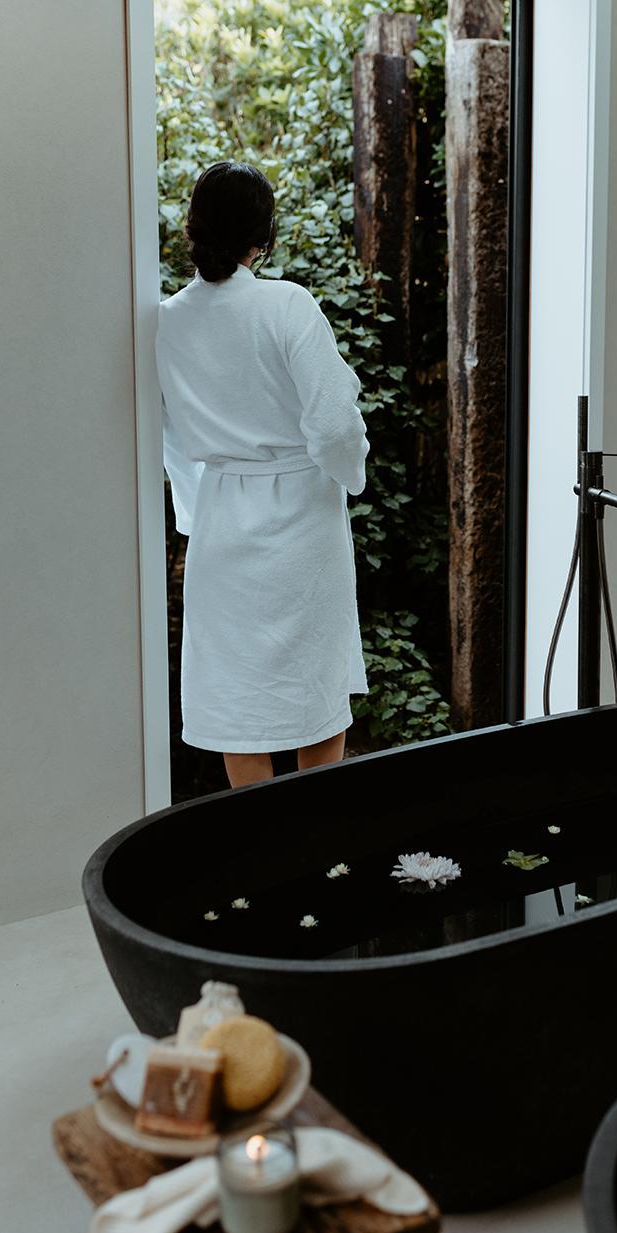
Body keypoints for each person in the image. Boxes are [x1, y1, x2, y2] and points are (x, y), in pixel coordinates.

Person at [156, 161, 369, 788]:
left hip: (222, 521)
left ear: (194, 227)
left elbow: (170, 433)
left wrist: (194, 510)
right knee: (315, 684)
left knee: (237, 694)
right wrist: (348, 473)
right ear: (263, 234)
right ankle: (315, 832)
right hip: (303, 517)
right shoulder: (287, 304)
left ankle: (254, 835)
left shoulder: (166, 320)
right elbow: (334, 423)